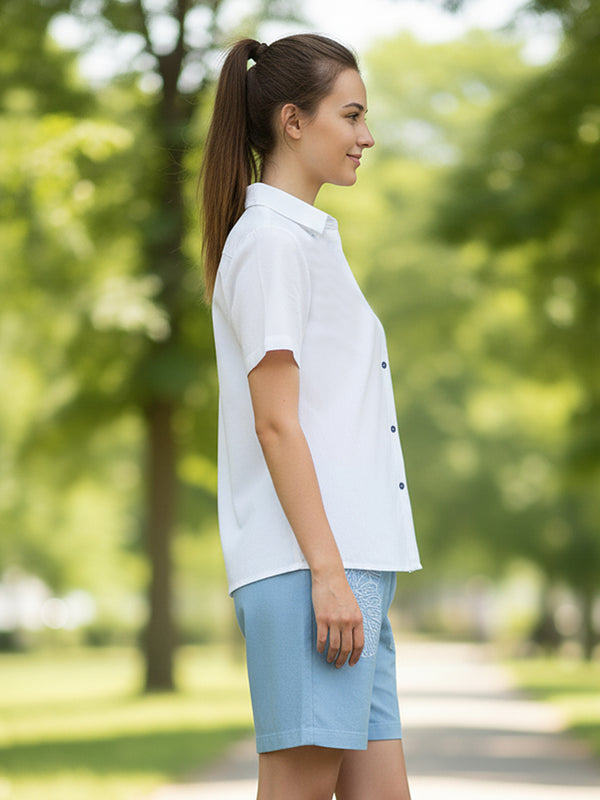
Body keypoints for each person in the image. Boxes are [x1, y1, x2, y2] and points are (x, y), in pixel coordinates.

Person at [200, 33, 422, 800]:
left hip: (349, 569)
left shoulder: (303, 240)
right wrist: (328, 575)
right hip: (312, 571)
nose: (367, 136)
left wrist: (346, 576)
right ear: (293, 121)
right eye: (351, 115)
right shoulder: (269, 244)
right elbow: (276, 424)